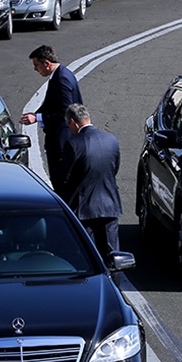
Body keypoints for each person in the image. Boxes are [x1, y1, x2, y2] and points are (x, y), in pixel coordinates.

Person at [56, 103, 122, 258]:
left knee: (83, 255)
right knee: (112, 256)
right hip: (109, 205)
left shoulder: (74, 144)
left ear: (73, 122)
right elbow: (114, 169)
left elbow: (62, 178)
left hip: (83, 209)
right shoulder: (111, 140)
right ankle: (114, 283)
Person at [20, 45, 84, 174]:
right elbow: (53, 104)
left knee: (60, 177)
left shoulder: (61, 79)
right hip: (63, 138)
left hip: (62, 139)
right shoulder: (61, 74)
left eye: (37, 65)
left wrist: (37, 117)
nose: (35, 69)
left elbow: (65, 113)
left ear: (47, 63)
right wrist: (35, 114)